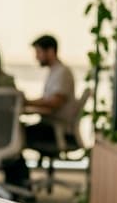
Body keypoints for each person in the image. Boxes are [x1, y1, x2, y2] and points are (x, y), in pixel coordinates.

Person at [6, 34, 76, 187]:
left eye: (38, 52)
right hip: (51, 125)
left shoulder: (62, 72)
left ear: (50, 51)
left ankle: (19, 184)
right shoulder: (55, 71)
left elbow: (54, 103)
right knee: (16, 132)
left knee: (14, 134)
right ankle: (19, 182)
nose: (36, 57)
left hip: (57, 129)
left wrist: (26, 101)